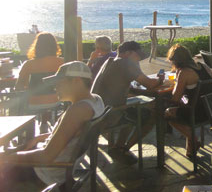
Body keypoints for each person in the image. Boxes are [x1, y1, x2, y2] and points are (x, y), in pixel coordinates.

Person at [0, 61, 105, 189]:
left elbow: (47, 156)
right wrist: (39, 138)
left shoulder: (78, 110)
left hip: (46, 173)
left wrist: (9, 158)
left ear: (76, 81)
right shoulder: (96, 100)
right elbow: (74, 134)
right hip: (58, 168)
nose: (55, 87)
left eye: (60, 83)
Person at [91, 41, 163, 164]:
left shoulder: (110, 62)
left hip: (97, 111)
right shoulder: (125, 63)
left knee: (133, 111)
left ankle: (118, 147)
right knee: (153, 115)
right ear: (128, 53)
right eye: (137, 55)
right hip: (110, 114)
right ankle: (123, 148)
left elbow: (125, 87)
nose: (139, 59)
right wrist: (161, 78)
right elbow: (150, 84)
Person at [164, 44, 212, 159]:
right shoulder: (203, 66)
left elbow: (175, 98)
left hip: (195, 113)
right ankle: (190, 150)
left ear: (175, 61)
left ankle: (193, 137)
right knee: (187, 104)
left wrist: (177, 81)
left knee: (167, 113)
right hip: (209, 110)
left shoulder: (184, 72)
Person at [15, 32, 65, 112]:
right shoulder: (62, 62)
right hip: (56, 102)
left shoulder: (28, 64)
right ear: (54, 46)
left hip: (34, 104)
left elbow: (18, 87)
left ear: (37, 46)